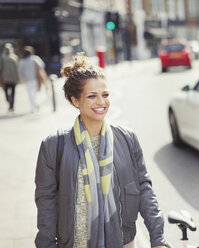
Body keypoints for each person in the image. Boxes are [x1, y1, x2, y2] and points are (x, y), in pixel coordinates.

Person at [35, 53, 167, 248]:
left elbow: (144, 190)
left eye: (105, 95)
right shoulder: (53, 146)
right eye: (91, 96)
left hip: (123, 242)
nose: (101, 102)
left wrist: (158, 239)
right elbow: (46, 204)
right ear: (75, 101)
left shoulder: (127, 138)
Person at [18, 46, 45, 112]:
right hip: (35, 78)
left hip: (27, 80)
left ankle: (33, 106)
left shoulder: (22, 62)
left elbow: (20, 72)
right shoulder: (35, 59)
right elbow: (42, 66)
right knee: (35, 92)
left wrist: (21, 80)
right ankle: (36, 103)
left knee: (30, 93)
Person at [0, 43, 19, 112]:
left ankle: (12, 106)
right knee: (6, 92)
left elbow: (17, 68)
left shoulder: (15, 57)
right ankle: (9, 102)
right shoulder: (2, 57)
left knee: (13, 93)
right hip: (5, 78)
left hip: (13, 78)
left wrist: (18, 77)